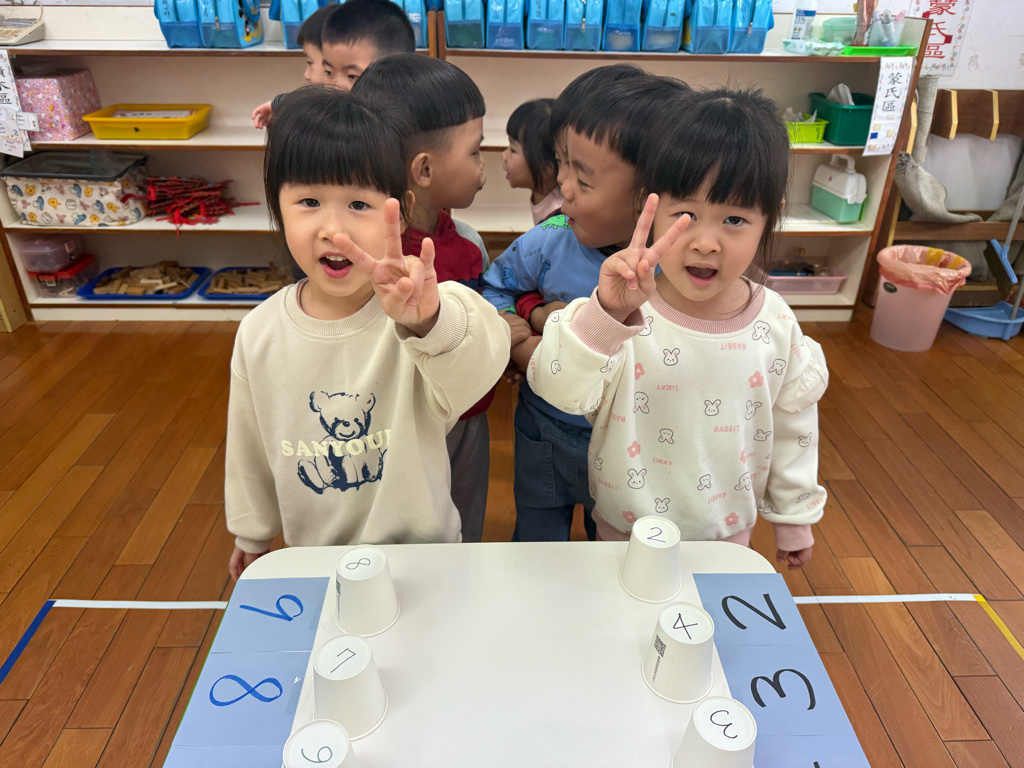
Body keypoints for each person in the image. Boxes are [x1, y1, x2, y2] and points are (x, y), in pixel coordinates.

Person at [528, 88, 829, 570]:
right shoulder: (622, 311)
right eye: (685, 216)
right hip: (624, 534)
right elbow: (557, 387)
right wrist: (605, 316)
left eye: (735, 219)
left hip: (726, 538)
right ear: (649, 208)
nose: (705, 242)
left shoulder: (776, 323)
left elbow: (794, 426)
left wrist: (794, 517)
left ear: (769, 217)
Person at [226, 86, 510, 580]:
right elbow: (249, 445)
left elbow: (482, 366)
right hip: (315, 560)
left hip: (425, 559)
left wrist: (428, 322)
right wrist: (252, 533)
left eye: (359, 204)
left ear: (399, 210)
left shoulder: (419, 313)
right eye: (309, 201)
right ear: (277, 206)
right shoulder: (259, 333)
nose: (334, 230)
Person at [480, 72, 689, 542]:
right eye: (562, 164)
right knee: (536, 541)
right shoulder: (550, 238)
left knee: (614, 548)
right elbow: (495, 288)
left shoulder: (683, 272)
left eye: (583, 178)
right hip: (545, 428)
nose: (563, 186)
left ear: (651, 196)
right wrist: (520, 339)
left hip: (634, 444)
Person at [352, 55, 505, 543]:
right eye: (475, 151)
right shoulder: (372, 266)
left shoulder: (465, 242)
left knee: (463, 523)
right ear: (424, 169)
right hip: (402, 424)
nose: (484, 165)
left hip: (467, 415)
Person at [251, 0, 415, 129]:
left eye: (352, 76)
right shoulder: (342, 109)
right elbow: (313, 101)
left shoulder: (399, 127)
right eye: (328, 72)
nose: (335, 86)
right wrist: (278, 105)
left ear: (395, 75)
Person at [503, 98, 562, 225]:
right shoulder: (542, 196)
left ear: (545, 169)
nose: (504, 156)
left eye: (513, 150)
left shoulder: (558, 218)